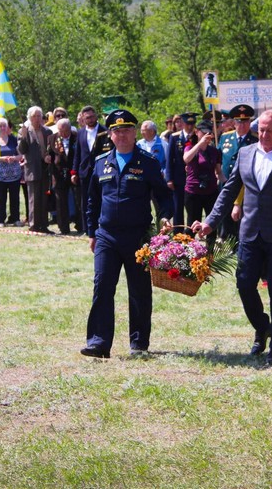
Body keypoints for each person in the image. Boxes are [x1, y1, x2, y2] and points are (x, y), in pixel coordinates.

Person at [193, 110, 272, 366]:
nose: (263, 135)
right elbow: (229, 191)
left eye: (269, 131)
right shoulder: (246, 153)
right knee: (244, 284)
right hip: (250, 233)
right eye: (260, 130)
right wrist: (210, 222)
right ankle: (263, 327)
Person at [81, 109, 173, 359]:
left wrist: (165, 216)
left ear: (135, 133)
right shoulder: (101, 163)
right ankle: (99, 342)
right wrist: (92, 233)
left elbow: (164, 196)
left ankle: (139, 342)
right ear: (110, 135)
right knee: (102, 286)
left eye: (126, 130)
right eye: (116, 131)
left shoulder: (148, 162)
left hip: (138, 237)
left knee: (139, 290)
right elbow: (92, 200)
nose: (121, 135)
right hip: (107, 237)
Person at [217, 104, 257, 240]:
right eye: (239, 121)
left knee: (242, 218)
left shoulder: (255, 140)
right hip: (226, 183)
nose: (242, 124)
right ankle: (227, 242)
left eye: (245, 121)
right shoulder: (225, 138)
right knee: (226, 216)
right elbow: (218, 158)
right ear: (234, 122)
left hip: (245, 187)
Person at [72, 105, 110, 234]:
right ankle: (87, 229)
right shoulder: (81, 132)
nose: (90, 119)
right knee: (85, 201)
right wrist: (74, 172)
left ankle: (102, 227)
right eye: (87, 117)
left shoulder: (105, 131)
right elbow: (77, 154)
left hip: (101, 171)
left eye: (92, 116)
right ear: (83, 118)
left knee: (102, 199)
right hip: (84, 172)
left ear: (96, 116)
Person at [183, 120, 223, 244]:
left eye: (209, 132)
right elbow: (186, 158)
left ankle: (210, 255)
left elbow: (219, 172)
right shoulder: (190, 147)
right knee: (192, 225)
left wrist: (228, 183)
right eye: (204, 132)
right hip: (193, 192)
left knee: (211, 224)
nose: (207, 135)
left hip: (210, 191)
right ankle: (188, 253)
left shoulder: (214, 151)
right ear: (197, 132)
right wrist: (200, 143)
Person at [166, 112, 199, 232]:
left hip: (194, 179)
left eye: (192, 123)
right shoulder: (175, 137)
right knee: (177, 208)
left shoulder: (197, 137)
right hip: (178, 178)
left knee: (192, 208)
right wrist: (169, 178)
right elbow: (169, 159)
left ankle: (191, 233)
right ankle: (177, 234)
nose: (190, 126)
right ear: (183, 123)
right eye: (187, 123)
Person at [46, 117, 76, 234]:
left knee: (78, 199)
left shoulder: (76, 137)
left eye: (65, 131)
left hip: (74, 171)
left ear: (69, 128)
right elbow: (48, 153)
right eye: (60, 131)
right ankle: (63, 227)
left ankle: (81, 224)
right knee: (61, 201)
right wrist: (47, 157)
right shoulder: (52, 138)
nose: (63, 134)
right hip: (59, 173)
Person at [0, 118, 23, 227]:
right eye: (0, 126)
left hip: (14, 174)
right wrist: (2, 158)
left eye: (4, 126)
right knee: (1, 198)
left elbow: (21, 155)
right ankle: (0, 220)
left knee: (15, 197)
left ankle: (15, 219)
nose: (2, 128)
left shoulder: (14, 139)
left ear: (7, 127)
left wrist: (14, 158)